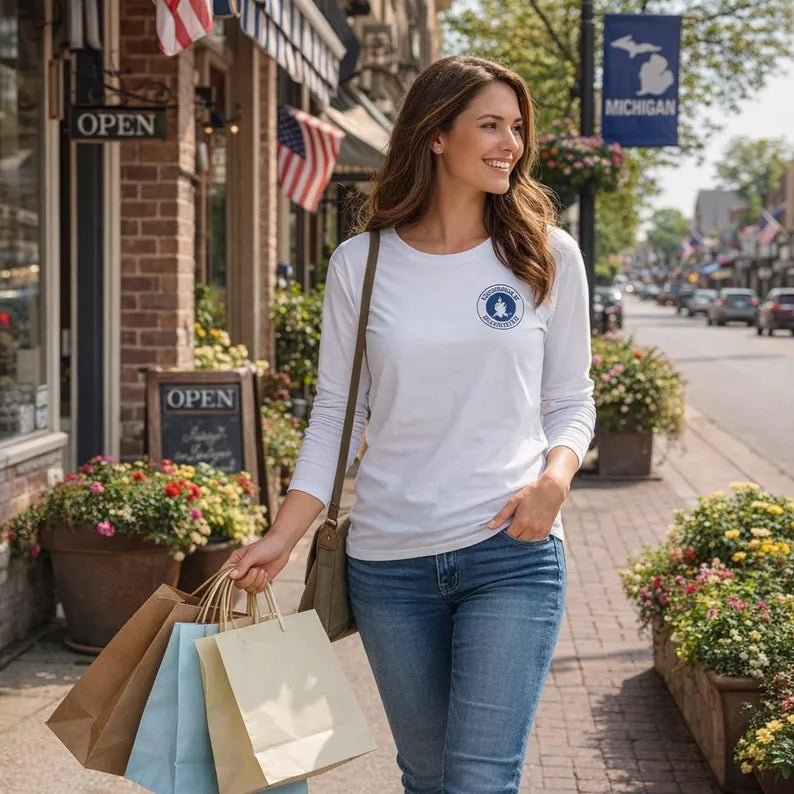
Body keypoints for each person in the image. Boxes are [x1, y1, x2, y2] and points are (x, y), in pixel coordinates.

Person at [225, 55, 596, 793]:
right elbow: (336, 414)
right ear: (436, 134)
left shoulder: (547, 255)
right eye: (490, 125)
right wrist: (282, 537)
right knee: (426, 777)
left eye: (516, 127)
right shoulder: (360, 264)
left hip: (511, 554)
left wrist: (554, 481)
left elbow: (570, 399)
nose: (511, 144)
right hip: (389, 565)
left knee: (479, 779)